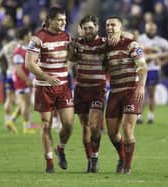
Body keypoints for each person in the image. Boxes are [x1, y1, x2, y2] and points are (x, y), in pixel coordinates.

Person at [25, 7, 74, 173]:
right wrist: (47, 77)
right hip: (44, 87)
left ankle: (60, 148)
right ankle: (49, 162)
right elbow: (29, 63)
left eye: (65, 20)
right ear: (50, 20)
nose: (63, 23)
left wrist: (69, 63)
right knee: (46, 124)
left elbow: (70, 58)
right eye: (60, 20)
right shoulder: (38, 38)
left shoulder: (67, 37)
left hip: (63, 86)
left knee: (68, 124)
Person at [105, 16, 147, 174]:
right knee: (112, 132)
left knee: (127, 128)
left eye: (113, 25)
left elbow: (142, 66)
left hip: (131, 90)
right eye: (108, 25)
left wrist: (141, 86)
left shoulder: (131, 44)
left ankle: (127, 166)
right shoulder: (106, 45)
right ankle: (122, 157)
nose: (110, 27)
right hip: (115, 92)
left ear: (120, 26)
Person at [71, 15, 106, 173]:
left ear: (97, 28)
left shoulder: (105, 43)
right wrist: (70, 48)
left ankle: (95, 156)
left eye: (91, 28)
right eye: (85, 28)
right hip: (81, 89)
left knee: (94, 126)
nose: (88, 31)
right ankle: (89, 160)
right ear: (81, 29)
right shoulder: (77, 43)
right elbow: (71, 58)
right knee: (85, 126)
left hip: (98, 89)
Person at [137, 22, 168, 124]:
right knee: (141, 94)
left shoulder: (161, 41)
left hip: (154, 70)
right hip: (142, 69)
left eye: (153, 29)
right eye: (149, 29)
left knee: (151, 94)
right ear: (146, 29)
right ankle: (139, 116)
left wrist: (161, 63)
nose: (151, 31)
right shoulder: (140, 39)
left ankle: (151, 116)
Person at [9, 27, 35, 134]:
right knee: (26, 104)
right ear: (25, 36)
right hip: (21, 80)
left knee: (26, 103)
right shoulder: (18, 51)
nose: (31, 36)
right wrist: (27, 79)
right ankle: (26, 127)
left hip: (26, 79)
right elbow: (18, 69)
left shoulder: (27, 48)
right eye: (29, 34)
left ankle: (11, 120)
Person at [0, 32, 20, 132]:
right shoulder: (20, 46)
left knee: (9, 98)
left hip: (9, 72)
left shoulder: (6, 47)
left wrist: (5, 67)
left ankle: (7, 121)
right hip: (19, 73)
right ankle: (17, 120)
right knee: (23, 100)